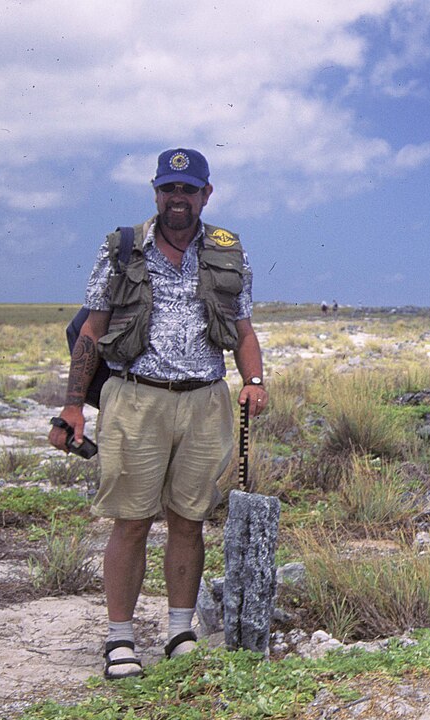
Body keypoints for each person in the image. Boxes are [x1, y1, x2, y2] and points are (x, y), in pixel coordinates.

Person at [48, 148, 269, 680]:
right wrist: (74, 406)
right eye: (169, 188)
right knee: (131, 520)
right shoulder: (122, 248)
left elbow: (243, 330)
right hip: (135, 398)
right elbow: (91, 331)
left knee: (189, 520)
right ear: (155, 192)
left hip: (205, 400)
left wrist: (254, 381)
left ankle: (179, 633)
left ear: (205, 195)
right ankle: (120, 640)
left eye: (188, 189)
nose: (178, 198)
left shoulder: (228, 252)